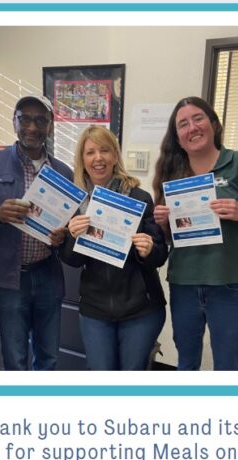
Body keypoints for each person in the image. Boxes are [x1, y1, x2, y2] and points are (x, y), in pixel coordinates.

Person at [0, 95, 71, 370]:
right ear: (14, 122)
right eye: (24, 118)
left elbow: (70, 231)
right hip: (7, 279)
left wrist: (62, 237)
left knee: (49, 355)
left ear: (50, 126)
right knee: (15, 359)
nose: (32, 126)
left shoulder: (63, 172)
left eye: (40, 120)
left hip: (47, 274)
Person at [152, 97, 238, 370]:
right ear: (178, 138)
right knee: (186, 363)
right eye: (183, 124)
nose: (191, 127)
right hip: (185, 283)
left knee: (226, 367)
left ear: (213, 124)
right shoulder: (172, 174)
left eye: (198, 119)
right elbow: (172, 238)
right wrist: (162, 222)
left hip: (231, 285)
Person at [60, 125, 168, 370]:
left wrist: (149, 249)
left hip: (141, 310)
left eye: (104, 150)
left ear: (115, 156)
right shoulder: (76, 200)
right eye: (90, 152)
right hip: (95, 311)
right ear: (82, 159)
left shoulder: (138, 197)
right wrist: (72, 236)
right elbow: (72, 260)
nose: (98, 158)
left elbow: (160, 255)